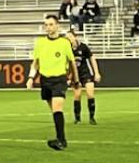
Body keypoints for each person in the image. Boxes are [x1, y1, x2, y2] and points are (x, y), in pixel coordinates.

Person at [29, 15, 79, 151]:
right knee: (54, 111)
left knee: (57, 108)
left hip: (59, 80)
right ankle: (61, 138)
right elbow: (36, 62)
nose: (48, 27)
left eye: (50, 24)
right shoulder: (40, 42)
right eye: (46, 25)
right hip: (45, 80)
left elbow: (72, 62)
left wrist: (76, 79)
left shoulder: (64, 43)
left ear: (57, 26)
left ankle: (61, 140)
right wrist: (31, 77)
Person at [67, 26, 99, 126]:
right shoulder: (67, 49)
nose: (69, 39)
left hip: (85, 73)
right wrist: (69, 77)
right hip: (74, 75)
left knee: (90, 94)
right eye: (67, 38)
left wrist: (96, 73)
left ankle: (92, 118)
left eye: (70, 37)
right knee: (77, 95)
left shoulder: (83, 47)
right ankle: (77, 119)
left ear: (75, 37)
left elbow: (92, 58)